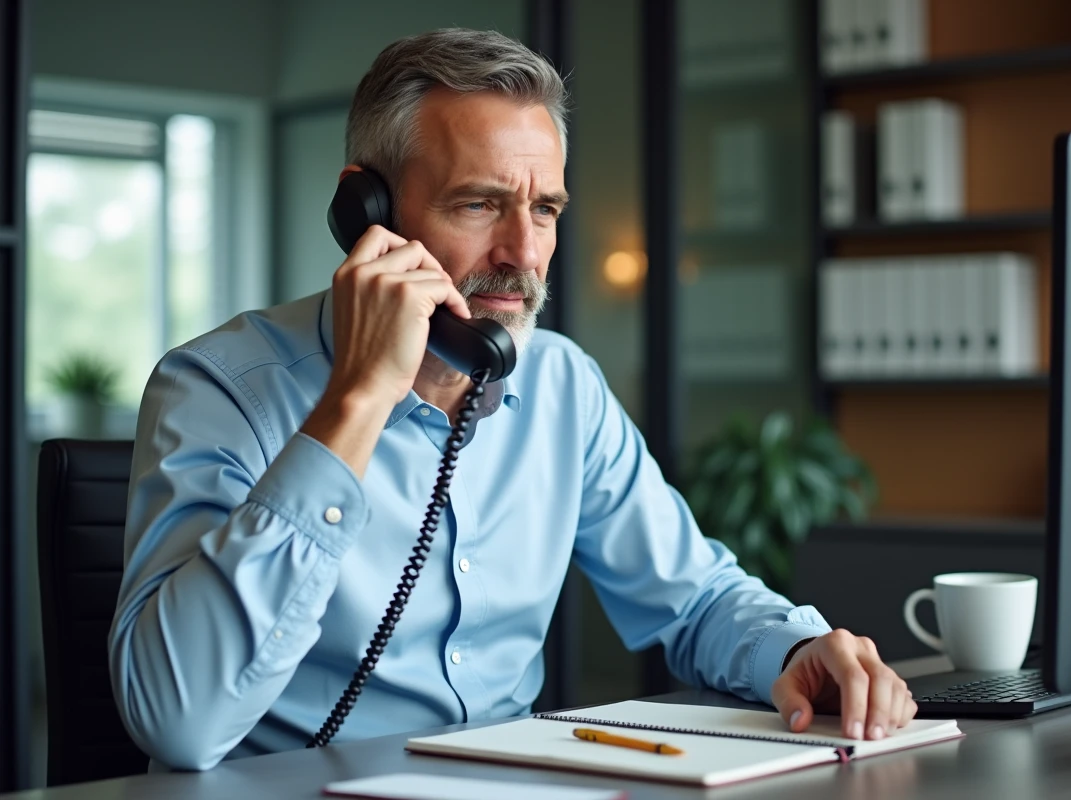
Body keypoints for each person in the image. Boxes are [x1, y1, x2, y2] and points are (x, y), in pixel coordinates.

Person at [109, 28, 915, 772]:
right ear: (368, 214)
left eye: (545, 209)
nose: (524, 253)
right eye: (479, 203)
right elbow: (176, 721)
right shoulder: (216, 388)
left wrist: (793, 651)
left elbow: (694, 596)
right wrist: (355, 401)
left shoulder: (561, 385)